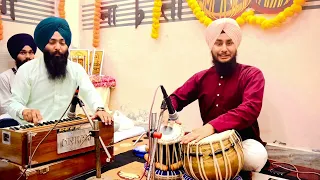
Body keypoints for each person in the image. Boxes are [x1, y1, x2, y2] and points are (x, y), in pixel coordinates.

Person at [163, 18, 268, 173]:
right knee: (172, 147)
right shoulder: (201, 78)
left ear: (236, 45)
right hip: (208, 143)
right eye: (218, 43)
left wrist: (211, 127)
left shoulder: (251, 74)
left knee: (256, 156)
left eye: (229, 43)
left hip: (241, 142)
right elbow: (176, 98)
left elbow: (250, 108)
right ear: (211, 46)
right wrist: (168, 112)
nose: (224, 49)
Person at [7, 16, 113, 126]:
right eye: (52, 42)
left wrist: (99, 109)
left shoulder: (76, 69)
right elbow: (14, 103)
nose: (58, 47)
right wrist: (24, 111)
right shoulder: (27, 70)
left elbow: (90, 92)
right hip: (34, 131)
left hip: (65, 131)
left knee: (112, 125)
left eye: (62, 43)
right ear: (43, 45)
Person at [0, 33, 37, 116]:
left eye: (31, 52)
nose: (28, 56)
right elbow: (4, 107)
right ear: (15, 55)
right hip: (16, 122)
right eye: (23, 53)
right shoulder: (5, 77)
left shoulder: (39, 75)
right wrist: (23, 112)